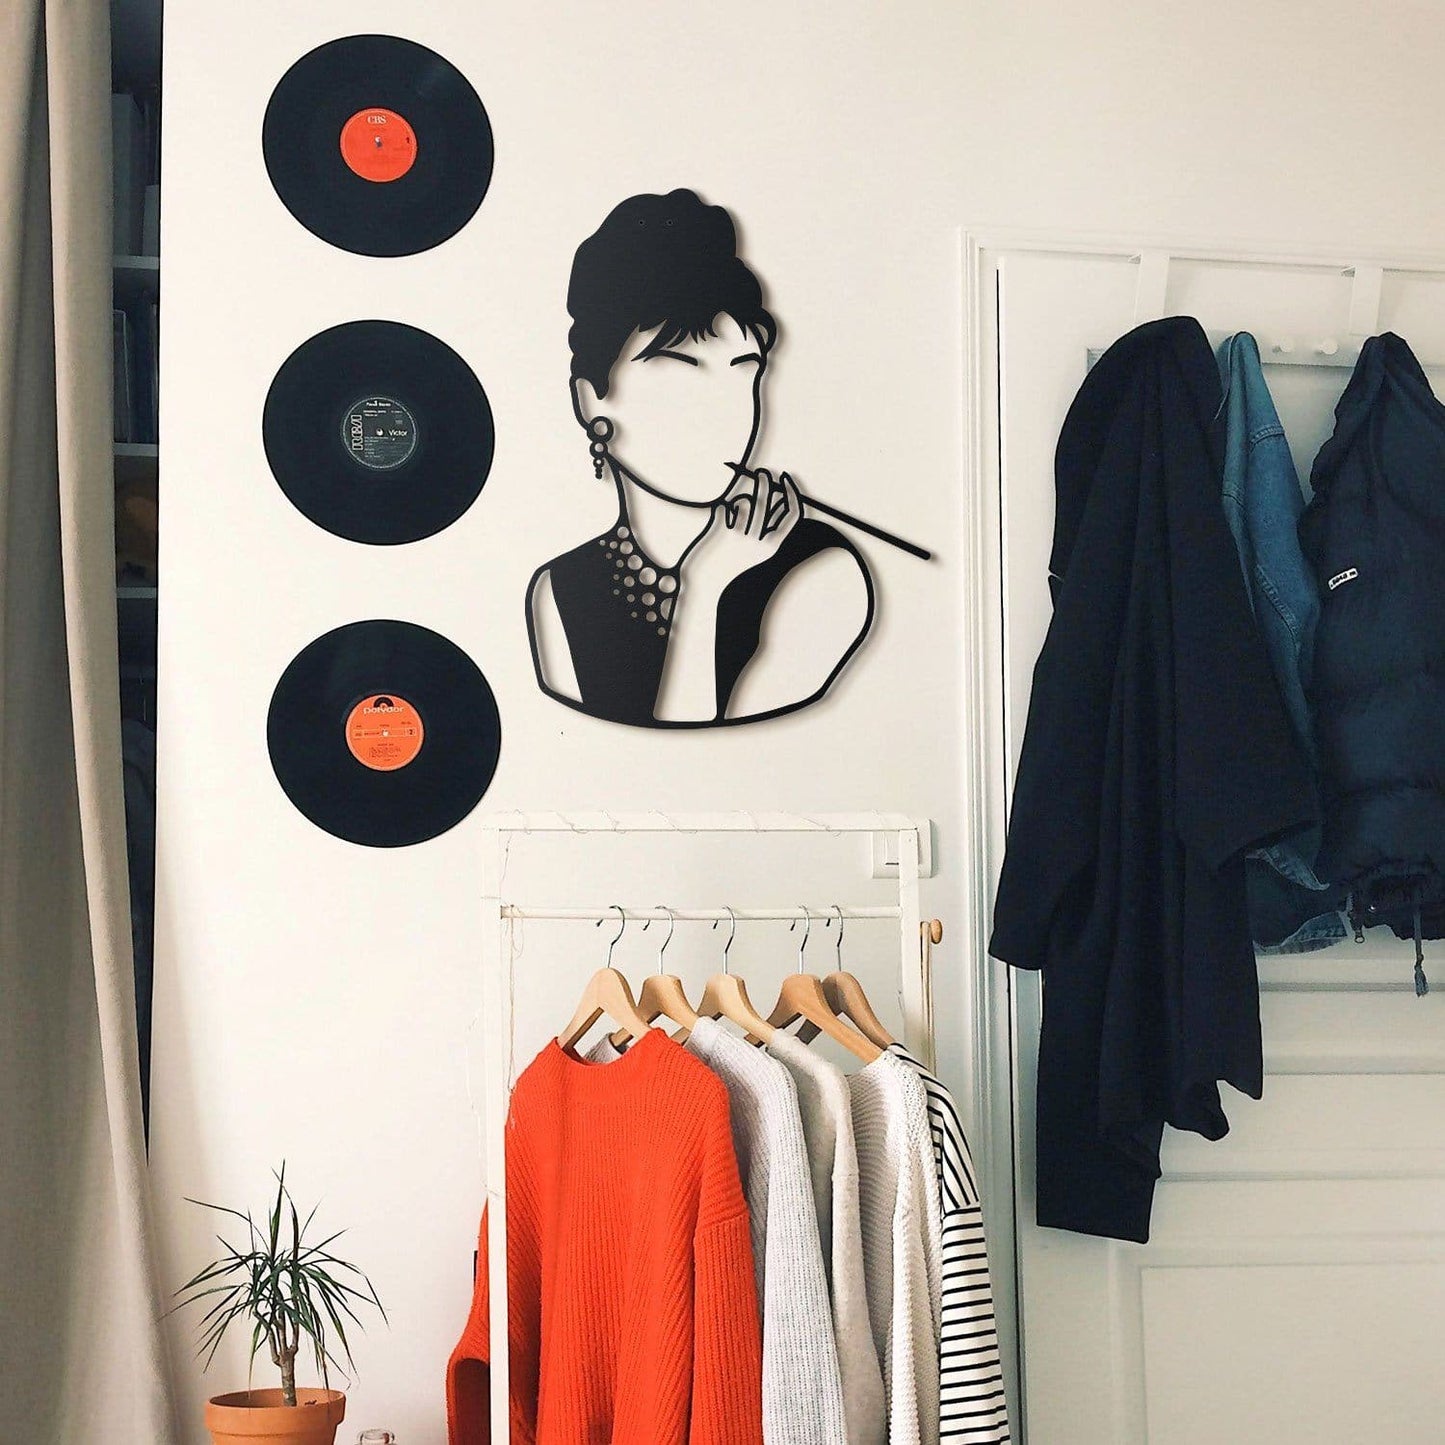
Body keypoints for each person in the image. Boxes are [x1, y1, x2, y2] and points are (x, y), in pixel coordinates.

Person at [526, 188, 873, 727]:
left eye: (743, 373)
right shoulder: (561, 592)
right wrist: (706, 581)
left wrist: (718, 581)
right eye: (682, 370)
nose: (729, 414)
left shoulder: (819, 571)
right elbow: (652, 748)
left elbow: (723, 751)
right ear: (593, 399)